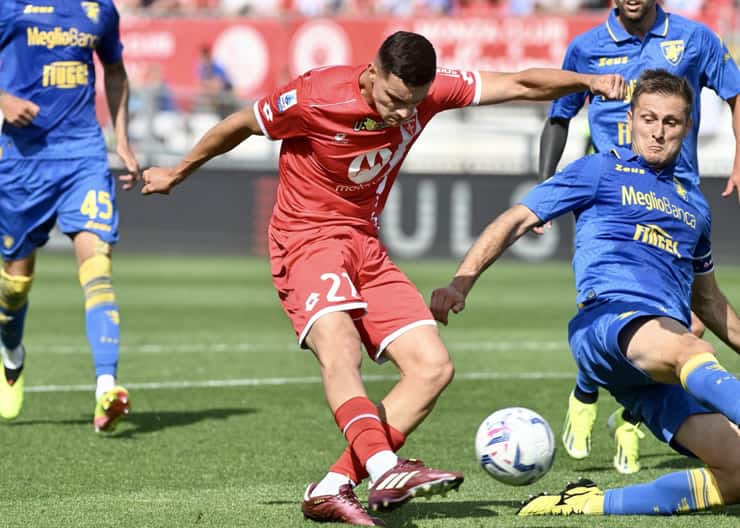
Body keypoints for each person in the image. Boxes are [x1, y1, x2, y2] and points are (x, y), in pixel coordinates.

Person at [140, 31, 625, 526]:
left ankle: (331, 487)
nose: (401, 114)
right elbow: (241, 123)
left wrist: (587, 81)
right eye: (394, 100)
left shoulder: (427, 95)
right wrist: (179, 171)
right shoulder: (314, 96)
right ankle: (386, 466)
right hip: (305, 239)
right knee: (341, 347)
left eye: (412, 104)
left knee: (432, 367)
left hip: (365, 245)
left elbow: (521, 83)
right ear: (372, 73)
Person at [431, 69, 740, 517]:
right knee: (687, 346)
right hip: (608, 323)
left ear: (686, 127)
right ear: (630, 118)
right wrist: (462, 279)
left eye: (670, 122)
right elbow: (518, 218)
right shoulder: (601, 169)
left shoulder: (694, 207)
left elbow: (709, 302)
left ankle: (591, 502)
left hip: (653, 361)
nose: (657, 132)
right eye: (648, 118)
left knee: (734, 472)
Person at [538, 0, 740, 474]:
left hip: (680, 196)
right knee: (638, 310)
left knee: (685, 324)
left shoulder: (695, 38)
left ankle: (624, 409)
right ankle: (597, 389)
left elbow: (734, 91)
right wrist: (545, 185)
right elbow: (559, 114)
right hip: (613, 192)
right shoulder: (585, 48)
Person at [0, 1, 140, 432]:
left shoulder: (99, 10)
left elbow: (115, 73)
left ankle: (106, 386)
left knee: (97, 268)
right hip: (22, 161)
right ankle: (11, 354)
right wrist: (3, 98)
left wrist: (122, 140)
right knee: (14, 288)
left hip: (83, 157)